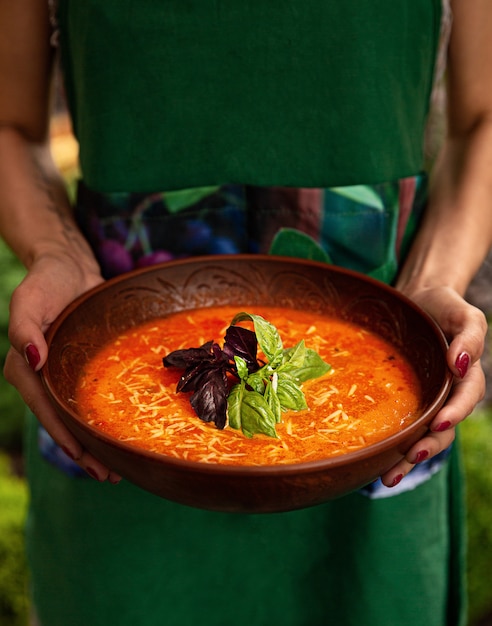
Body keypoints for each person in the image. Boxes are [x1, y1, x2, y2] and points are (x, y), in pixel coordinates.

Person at [0, 1, 491, 625]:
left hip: (384, 425)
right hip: (109, 425)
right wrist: (57, 252)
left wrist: (433, 282)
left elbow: (481, 120)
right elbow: (11, 124)